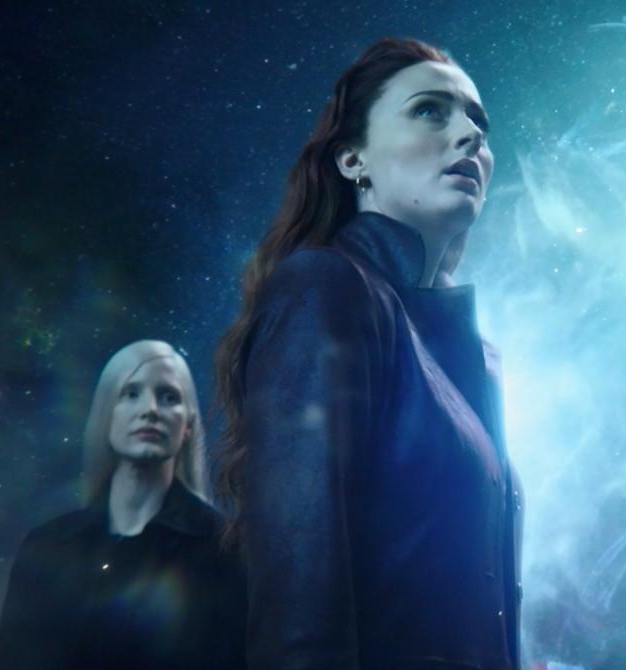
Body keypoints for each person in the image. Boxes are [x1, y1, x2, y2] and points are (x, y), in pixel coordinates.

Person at [214, 37, 523, 669]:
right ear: (353, 159)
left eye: (479, 123)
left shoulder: (477, 361)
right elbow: (299, 602)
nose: (470, 134)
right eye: (430, 110)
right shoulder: (326, 287)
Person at [0, 340, 245, 670]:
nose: (150, 409)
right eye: (131, 393)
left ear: (188, 425)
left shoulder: (226, 552)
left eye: (169, 396)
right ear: (107, 412)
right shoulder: (45, 546)